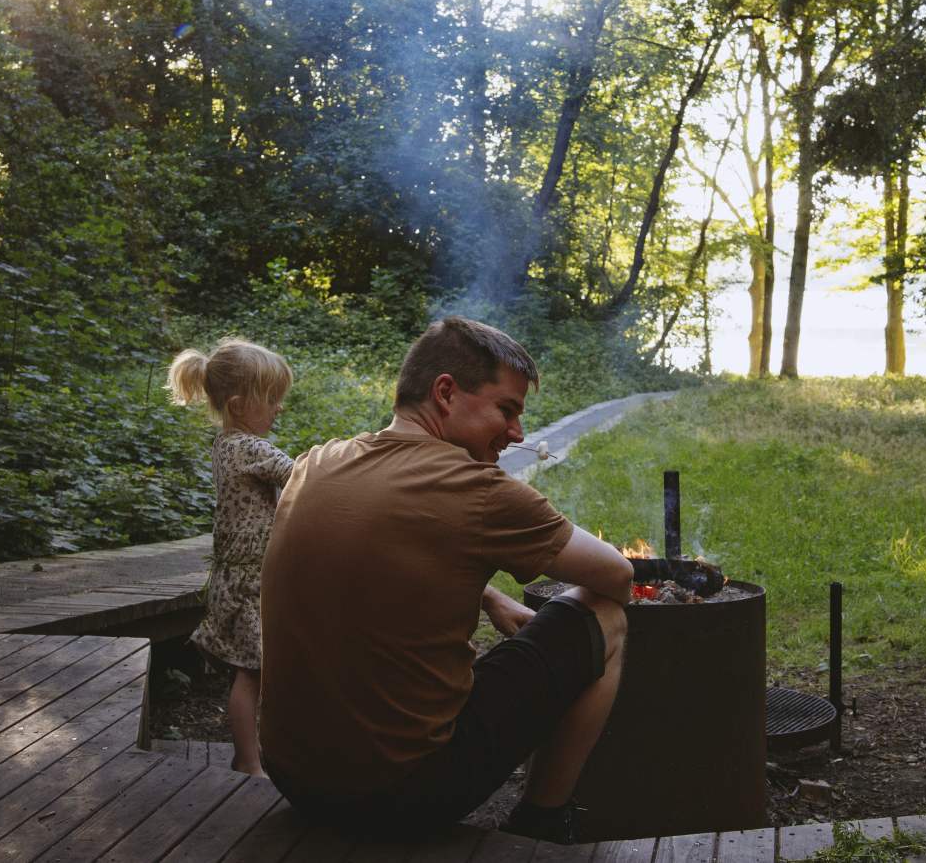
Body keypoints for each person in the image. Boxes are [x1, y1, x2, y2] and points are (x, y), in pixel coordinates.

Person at [258, 316, 635, 844]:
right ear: (445, 392)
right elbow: (618, 574)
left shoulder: (316, 464)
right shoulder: (478, 490)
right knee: (604, 618)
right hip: (403, 793)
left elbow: (371, 550)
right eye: (507, 410)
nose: (518, 433)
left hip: (293, 776)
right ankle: (543, 819)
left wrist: (488, 595)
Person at [166, 337, 294, 777]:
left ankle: (254, 752)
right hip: (249, 582)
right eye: (272, 399)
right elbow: (302, 475)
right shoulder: (250, 449)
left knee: (254, 671)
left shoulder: (225, 444)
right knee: (251, 674)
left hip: (234, 578)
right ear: (239, 406)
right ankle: (247, 760)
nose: (279, 408)